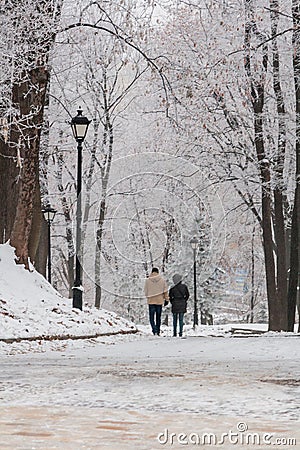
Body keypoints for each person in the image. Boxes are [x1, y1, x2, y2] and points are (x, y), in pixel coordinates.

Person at [144, 267, 169, 336]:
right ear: (158, 272)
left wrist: (149, 296)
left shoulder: (147, 281)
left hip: (151, 301)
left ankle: (154, 330)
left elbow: (145, 291)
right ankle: (158, 331)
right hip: (159, 301)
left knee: (151, 317)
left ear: (152, 272)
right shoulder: (162, 280)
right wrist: (166, 299)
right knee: (158, 317)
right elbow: (165, 291)